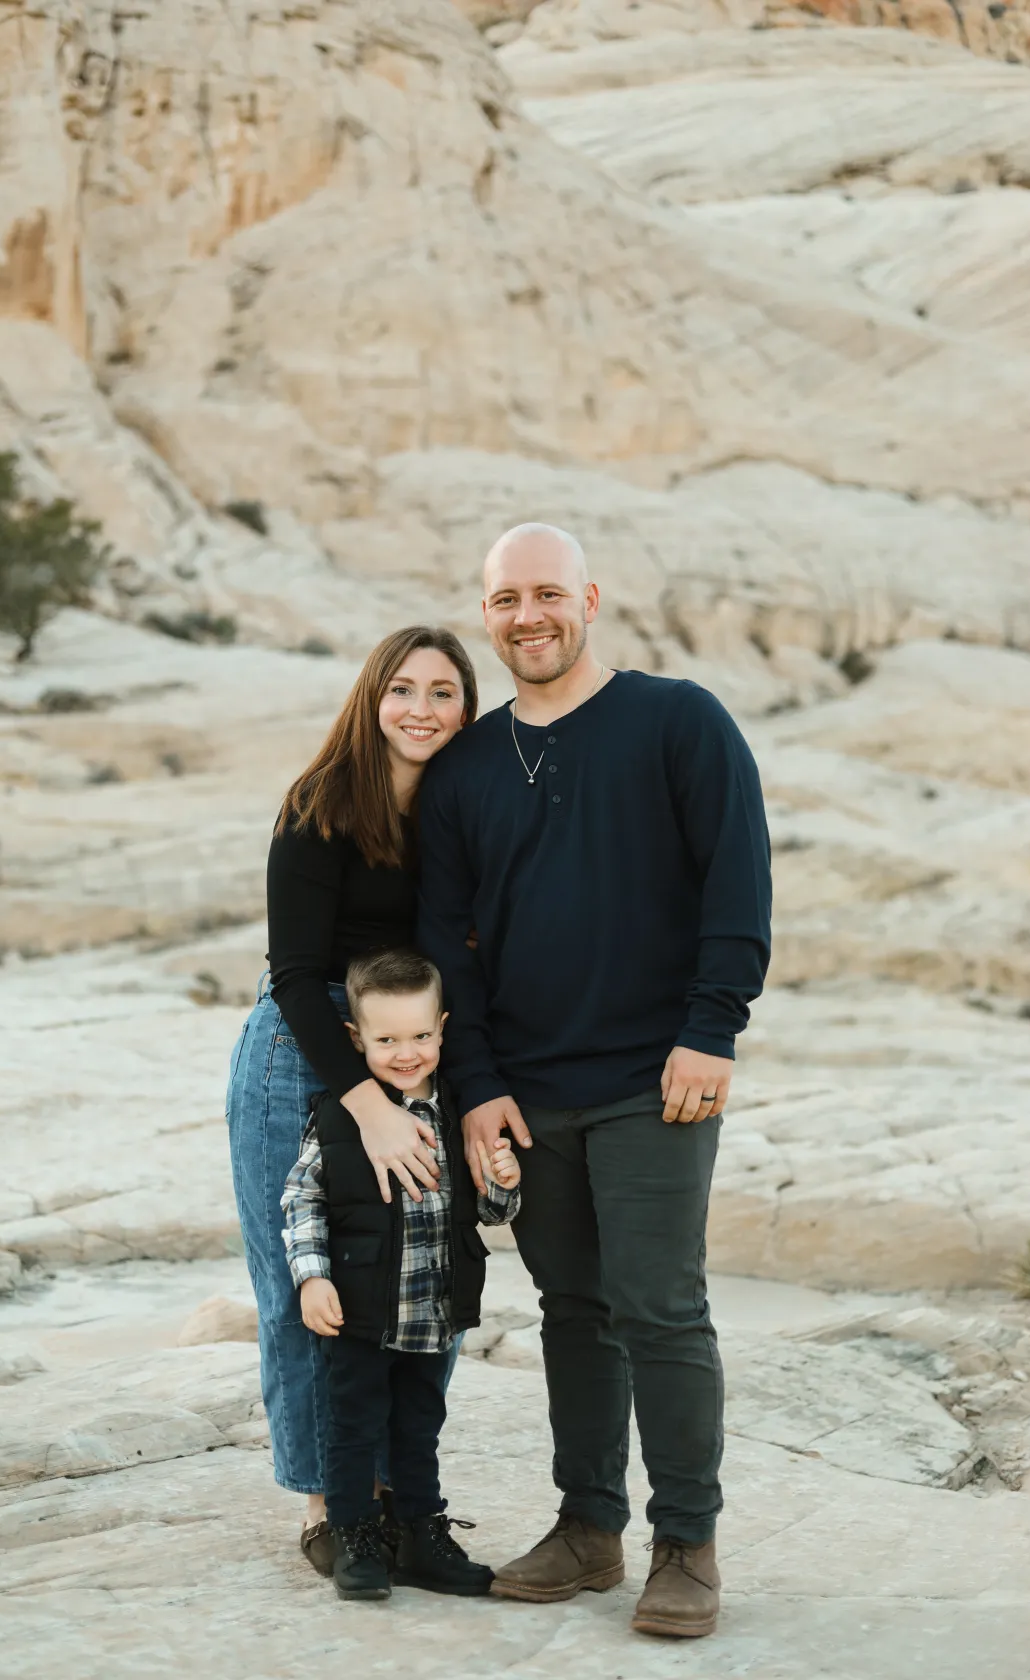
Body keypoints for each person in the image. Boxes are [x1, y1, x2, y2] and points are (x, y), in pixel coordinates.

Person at [416, 524, 772, 1640]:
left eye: (549, 594)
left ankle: (687, 1545)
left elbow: (737, 881)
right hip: (525, 1088)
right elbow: (443, 942)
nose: (529, 616)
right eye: (507, 598)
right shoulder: (464, 766)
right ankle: (587, 1527)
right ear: (486, 614)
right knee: (570, 1310)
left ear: (591, 600)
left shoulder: (678, 720)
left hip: (654, 1077)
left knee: (658, 1306)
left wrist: (711, 1030)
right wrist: (472, 1086)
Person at [225, 626, 478, 1574]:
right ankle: (330, 1506)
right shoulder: (319, 807)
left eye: (444, 692)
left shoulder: (465, 814)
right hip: (305, 1052)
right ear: (372, 698)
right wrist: (369, 1105)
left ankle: (399, 1498)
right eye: (403, 689)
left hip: (418, 1052)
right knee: (309, 1289)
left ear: (466, 708)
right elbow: (293, 974)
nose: (422, 709)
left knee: (420, 1280)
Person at [281, 948, 521, 1601]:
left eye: (421, 1035)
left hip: (433, 1311)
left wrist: (504, 1182)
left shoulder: (459, 1114)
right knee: (352, 1426)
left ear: (443, 1029)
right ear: (356, 1039)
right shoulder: (339, 1115)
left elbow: (492, 1213)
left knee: (419, 1427)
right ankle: (357, 1537)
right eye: (387, 1039)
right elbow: (301, 1202)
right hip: (359, 1309)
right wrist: (312, 1278)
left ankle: (420, 1533)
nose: (406, 1052)